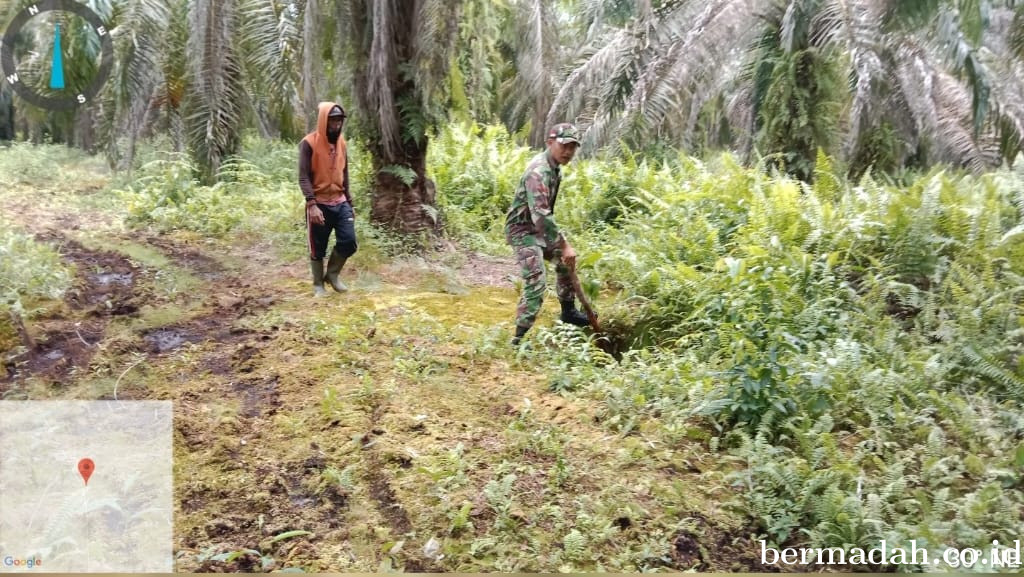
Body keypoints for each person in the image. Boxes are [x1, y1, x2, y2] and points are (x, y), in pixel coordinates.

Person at [505, 122, 591, 346]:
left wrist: (563, 248)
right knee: (536, 280)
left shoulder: (554, 169)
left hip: (538, 228)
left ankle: (568, 312)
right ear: (550, 143)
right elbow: (542, 216)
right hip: (522, 230)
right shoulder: (538, 172)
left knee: (565, 264)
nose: (569, 152)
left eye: (573, 147)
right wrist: (564, 245)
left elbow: (544, 217)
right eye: (564, 146)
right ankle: (518, 340)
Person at [299, 101, 358, 296]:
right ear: (324, 120)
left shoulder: (342, 143)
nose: (336, 125)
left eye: (339, 121)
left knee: (349, 241)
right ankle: (318, 284)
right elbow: (303, 176)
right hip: (319, 203)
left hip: (340, 201)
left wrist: (349, 201)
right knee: (318, 247)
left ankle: (332, 275)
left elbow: (345, 172)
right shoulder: (309, 143)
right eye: (332, 120)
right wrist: (311, 204)